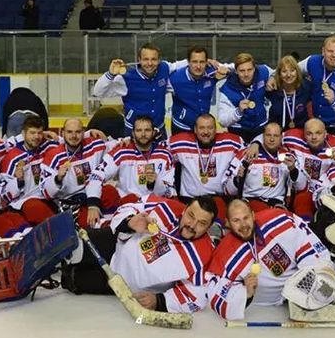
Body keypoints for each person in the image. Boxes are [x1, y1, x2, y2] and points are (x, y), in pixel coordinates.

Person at [206, 199, 335, 320]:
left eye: (246, 217)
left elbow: (307, 242)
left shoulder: (279, 219)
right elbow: (217, 297)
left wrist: (315, 278)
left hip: (308, 278)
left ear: (253, 215)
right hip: (280, 302)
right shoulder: (225, 255)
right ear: (227, 223)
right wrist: (245, 293)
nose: (243, 225)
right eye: (236, 220)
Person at [61, 195, 217, 315]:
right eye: (191, 215)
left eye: (202, 223)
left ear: (209, 227)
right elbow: (130, 205)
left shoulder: (203, 254)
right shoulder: (166, 208)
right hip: (115, 246)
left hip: (124, 283)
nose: (192, 225)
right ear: (185, 209)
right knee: (70, 245)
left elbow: (196, 295)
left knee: (70, 280)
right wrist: (130, 221)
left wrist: (160, 301)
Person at [85, 116, 175, 227]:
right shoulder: (121, 152)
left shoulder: (164, 155)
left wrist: (156, 183)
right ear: (132, 133)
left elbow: (170, 192)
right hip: (127, 208)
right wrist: (93, 205)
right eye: (139, 130)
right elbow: (96, 175)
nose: (143, 134)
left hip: (154, 207)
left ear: (153, 132)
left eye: (147, 130)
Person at [41, 118, 120, 228]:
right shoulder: (53, 155)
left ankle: (112, 226)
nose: (74, 136)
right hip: (71, 202)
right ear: (62, 133)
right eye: (69, 132)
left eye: (78, 132)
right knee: (87, 224)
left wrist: (126, 141)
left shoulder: (94, 145)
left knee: (109, 191)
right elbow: (45, 192)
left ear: (83, 132)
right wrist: (57, 179)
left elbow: (116, 146)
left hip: (93, 194)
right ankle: (102, 228)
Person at [94, 42, 183, 138]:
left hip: (159, 131)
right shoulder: (126, 78)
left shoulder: (164, 68)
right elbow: (97, 92)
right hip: (133, 133)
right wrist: (110, 74)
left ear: (159, 60)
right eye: (145, 59)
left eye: (153, 59)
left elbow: (183, 64)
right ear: (139, 60)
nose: (149, 63)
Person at [168, 113, 243, 221]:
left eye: (210, 128)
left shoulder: (230, 142)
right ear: (195, 129)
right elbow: (159, 149)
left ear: (216, 129)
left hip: (218, 200)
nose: (206, 132)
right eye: (202, 128)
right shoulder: (181, 142)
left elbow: (248, 150)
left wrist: (256, 144)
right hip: (189, 200)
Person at [224, 123, 305, 213]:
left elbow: (302, 186)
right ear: (262, 136)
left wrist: (292, 169)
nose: (271, 139)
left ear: (281, 137)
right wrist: (238, 179)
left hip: (276, 205)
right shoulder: (246, 154)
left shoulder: (289, 157)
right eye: (268, 135)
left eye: (276, 136)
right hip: (250, 203)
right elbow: (228, 190)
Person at [0, 116, 60, 225]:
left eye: (40, 133)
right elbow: (3, 193)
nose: (36, 137)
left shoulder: (48, 146)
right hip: (23, 203)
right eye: (32, 133)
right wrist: (18, 181)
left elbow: (71, 140)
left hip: (46, 198)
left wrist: (89, 132)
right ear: (23, 134)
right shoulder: (12, 158)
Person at [168, 46, 228, 135]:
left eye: (202, 62)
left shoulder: (212, 72)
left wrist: (223, 68)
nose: (198, 66)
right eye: (194, 62)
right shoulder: (174, 79)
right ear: (188, 62)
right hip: (182, 127)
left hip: (203, 128)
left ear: (207, 62)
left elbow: (237, 70)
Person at [218, 53, 272, 144]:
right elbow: (222, 121)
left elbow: (276, 72)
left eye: (249, 70)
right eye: (242, 71)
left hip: (261, 128)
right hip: (238, 131)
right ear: (236, 71)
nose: (246, 74)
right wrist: (238, 111)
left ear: (254, 68)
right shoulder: (227, 89)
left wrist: (273, 78)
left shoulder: (263, 72)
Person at [266, 55, 312, 131]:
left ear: (297, 72)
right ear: (279, 74)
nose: (288, 75)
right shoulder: (272, 90)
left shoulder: (306, 88)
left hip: (300, 134)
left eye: (292, 70)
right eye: (284, 71)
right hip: (276, 134)